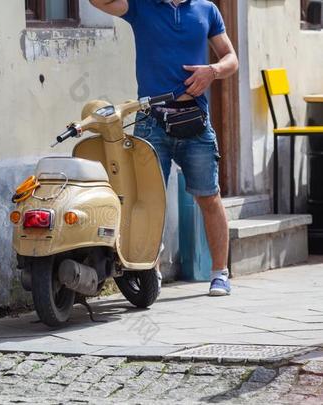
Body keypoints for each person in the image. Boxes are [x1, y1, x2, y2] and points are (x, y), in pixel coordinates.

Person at [89, 0, 239, 296]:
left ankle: (220, 273)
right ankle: (151, 271)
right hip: (151, 121)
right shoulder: (141, 7)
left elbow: (231, 58)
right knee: (147, 201)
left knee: (209, 197)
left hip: (195, 118)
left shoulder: (206, 9)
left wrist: (213, 70)